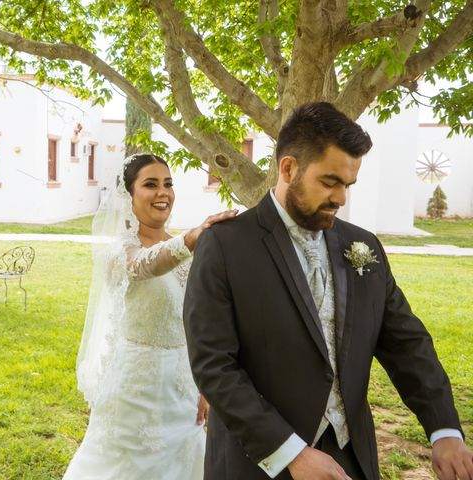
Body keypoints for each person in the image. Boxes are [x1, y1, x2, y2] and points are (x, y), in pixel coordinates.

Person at [183, 102, 473, 480]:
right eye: (329, 182)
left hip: (351, 461)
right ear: (288, 168)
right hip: (257, 464)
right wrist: (291, 453)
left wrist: (444, 430)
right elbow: (214, 366)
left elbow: (407, 344)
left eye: (348, 184)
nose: (341, 198)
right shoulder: (224, 246)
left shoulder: (363, 246)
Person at [63, 153, 237, 479]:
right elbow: (142, 265)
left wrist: (204, 387)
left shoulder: (184, 249)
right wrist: (191, 239)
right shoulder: (118, 252)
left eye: (168, 184)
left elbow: (199, 324)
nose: (163, 193)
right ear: (128, 196)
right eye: (150, 185)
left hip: (182, 391)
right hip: (134, 395)